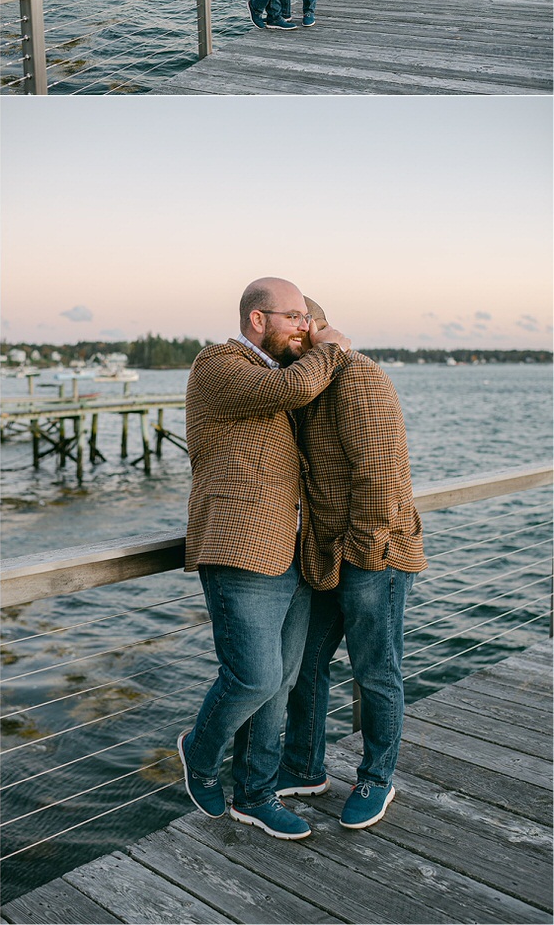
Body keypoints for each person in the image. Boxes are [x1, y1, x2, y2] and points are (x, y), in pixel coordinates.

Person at [178, 278, 351, 841]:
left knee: (283, 682)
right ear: (258, 319)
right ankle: (200, 754)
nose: (305, 326)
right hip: (240, 548)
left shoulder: (273, 372)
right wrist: (330, 345)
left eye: (309, 318)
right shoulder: (218, 364)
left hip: (291, 549)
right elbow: (295, 390)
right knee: (254, 678)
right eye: (296, 317)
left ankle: (255, 794)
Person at [277, 296, 427, 830]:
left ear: (319, 325)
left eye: (303, 323)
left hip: (372, 554)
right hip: (325, 556)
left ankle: (376, 777)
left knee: (376, 669)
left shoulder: (356, 375)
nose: (296, 333)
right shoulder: (302, 382)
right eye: (287, 323)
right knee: (305, 666)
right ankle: (303, 766)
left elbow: (383, 474)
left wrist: (363, 552)